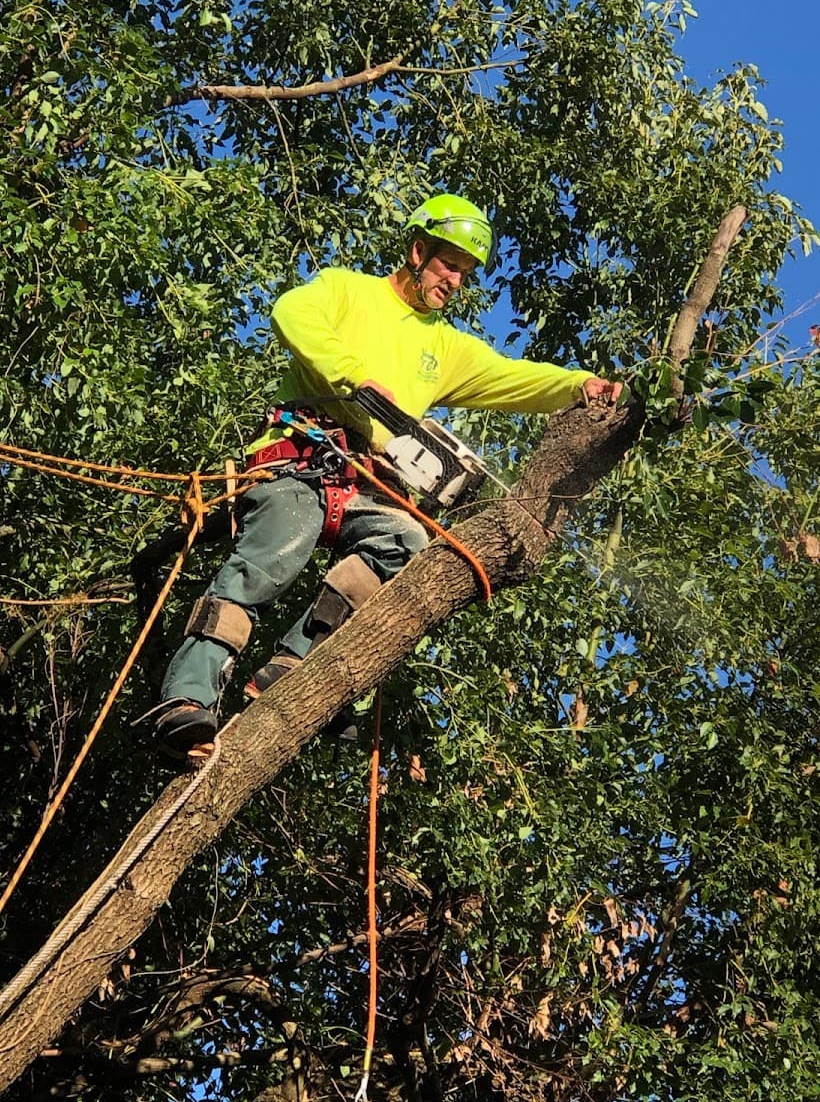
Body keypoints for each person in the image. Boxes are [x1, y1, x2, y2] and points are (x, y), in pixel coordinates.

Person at [151, 193, 622, 761]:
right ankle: (186, 699)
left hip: (364, 484)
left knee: (405, 540)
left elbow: (511, 377)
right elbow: (291, 313)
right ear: (418, 251)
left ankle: (292, 668)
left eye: (466, 273)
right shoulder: (347, 290)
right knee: (274, 551)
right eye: (450, 264)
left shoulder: (441, 346)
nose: (455, 281)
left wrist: (579, 385)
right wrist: (354, 378)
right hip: (299, 458)